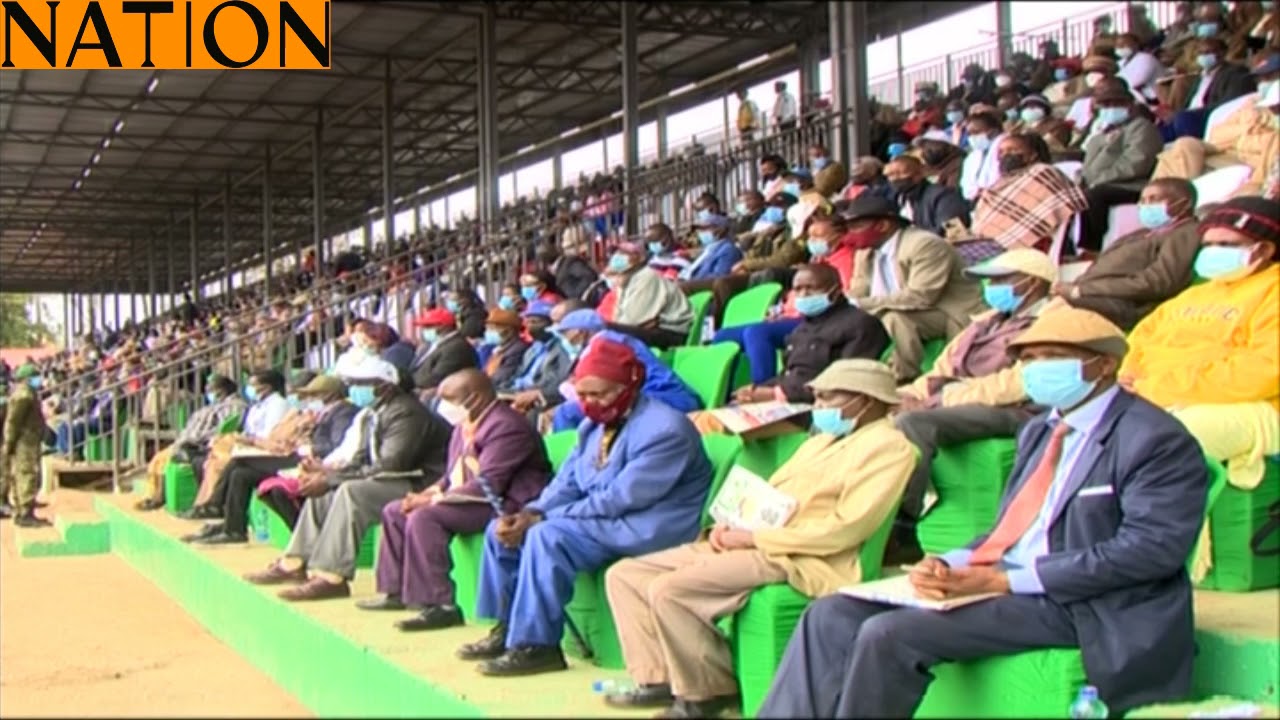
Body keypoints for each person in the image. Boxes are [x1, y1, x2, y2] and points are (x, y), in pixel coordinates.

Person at [758, 305, 1210, 718]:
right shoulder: (1039, 430)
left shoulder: (1154, 439)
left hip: (1090, 604)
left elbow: (1150, 551)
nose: (1036, 369)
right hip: (1014, 586)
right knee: (831, 613)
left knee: (890, 634)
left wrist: (1006, 580)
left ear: (1105, 364)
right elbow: (1009, 529)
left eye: (1053, 356)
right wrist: (951, 563)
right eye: (1028, 359)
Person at [601, 360, 918, 718]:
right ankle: (659, 678)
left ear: (868, 400)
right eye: (819, 396)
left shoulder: (890, 447)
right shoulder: (823, 439)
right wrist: (729, 526)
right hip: (755, 537)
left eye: (831, 397)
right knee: (626, 575)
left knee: (671, 589)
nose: (821, 405)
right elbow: (773, 497)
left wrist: (755, 538)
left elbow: (845, 529)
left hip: (800, 555)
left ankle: (707, 694)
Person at [456, 339, 714, 677]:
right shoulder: (592, 425)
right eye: (584, 395)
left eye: (600, 394)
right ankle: (508, 628)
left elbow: (620, 498)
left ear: (629, 387)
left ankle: (537, 646)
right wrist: (532, 511)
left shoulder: (666, 429)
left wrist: (544, 518)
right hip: (606, 519)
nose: (590, 403)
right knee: (501, 527)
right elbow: (568, 483)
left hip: (650, 524)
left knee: (547, 535)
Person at [1119, 197, 1279, 568]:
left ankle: (1166, 557)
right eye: (1208, 245)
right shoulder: (1193, 295)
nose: (1212, 252)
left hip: (1258, 408)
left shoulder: (1274, 291)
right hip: (1161, 397)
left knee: (1169, 436)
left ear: (1265, 248)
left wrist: (1158, 389)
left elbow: (1263, 371)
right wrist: (1130, 379)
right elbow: (1138, 343)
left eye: (1226, 245)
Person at [243, 358, 452, 601]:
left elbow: (392, 465)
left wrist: (333, 480)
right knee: (325, 489)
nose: (354, 389)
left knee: (351, 492)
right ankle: (294, 562)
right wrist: (327, 476)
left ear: (384, 386)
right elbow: (362, 459)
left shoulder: (407, 413)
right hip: (392, 478)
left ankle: (332, 577)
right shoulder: (374, 412)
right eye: (352, 383)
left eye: (361, 384)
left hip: (421, 484)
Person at [359, 369, 552, 630]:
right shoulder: (465, 426)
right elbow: (453, 475)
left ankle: (441, 605)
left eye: (449, 399)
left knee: (424, 517)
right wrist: (427, 493)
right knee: (396, 510)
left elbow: (488, 485)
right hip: (468, 498)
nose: (443, 406)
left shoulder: (507, 426)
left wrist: (432, 501)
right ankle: (396, 592)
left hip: (505, 503)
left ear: (473, 399)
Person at [894, 248, 1057, 533]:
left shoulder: (1054, 321)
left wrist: (941, 400)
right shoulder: (987, 320)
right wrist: (908, 396)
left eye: (999, 280)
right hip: (955, 400)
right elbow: (941, 369)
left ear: (1032, 283)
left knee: (914, 422)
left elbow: (1016, 385)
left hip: (1016, 409)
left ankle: (903, 526)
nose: (990, 288)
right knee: (877, 410)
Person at [184, 375, 359, 545]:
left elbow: (334, 445)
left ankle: (215, 505)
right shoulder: (321, 412)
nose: (309, 399)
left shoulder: (343, 412)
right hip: (294, 454)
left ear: (329, 394)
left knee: (239, 462)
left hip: (309, 460)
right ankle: (233, 528)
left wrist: (308, 446)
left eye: (314, 395)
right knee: (240, 473)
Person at [709, 263, 890, 410]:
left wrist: (776, 394)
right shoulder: (802, 328)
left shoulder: (860, 325)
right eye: (798, 289)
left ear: (834, 292)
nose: (803, 295)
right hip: (787, 402)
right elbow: (790, 374)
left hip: (820, 408)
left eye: (811, 289)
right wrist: (758, 389)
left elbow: (847, 385)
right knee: (712, 419)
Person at [844, 195, 985, 382]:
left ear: (883, 226)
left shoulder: (924, 244)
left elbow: (921, 297)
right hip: (895, 307)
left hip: (943, 311)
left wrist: (860, 303)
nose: (850, 234)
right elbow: (858, 290)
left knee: (895, 318)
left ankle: (902, 378)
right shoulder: (865, 252)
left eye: (857, 227)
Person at [1054, 178, 1202, 330]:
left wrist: (1082, 290)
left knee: (1057, 307)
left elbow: (1159, 282)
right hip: (1095, 293)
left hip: (1128, 304)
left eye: (1154, 199)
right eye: (1142, 200)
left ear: (1185, 204)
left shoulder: (1185, 233)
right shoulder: (1145, 232)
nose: (1145, 206)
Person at [549, 309, 702, 431]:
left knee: (567, 413)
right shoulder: (612, 339)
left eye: (565, 333)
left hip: (667, 399)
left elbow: (605, 390)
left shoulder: (603, 345)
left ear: (580, 332)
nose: (564, 339)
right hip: (656, 396)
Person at [1152, 52, 1279, 198]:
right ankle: (1154, 200)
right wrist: (1251, 131)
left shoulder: (1275, 104)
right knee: (1183, 146)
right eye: (1260, 79)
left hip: (1253, 162)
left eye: (1269, 77)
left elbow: (1269, 145)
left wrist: (1244, 135)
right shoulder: (1251, 103)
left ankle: (1177, 202)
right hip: (1229, 153)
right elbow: (1217, 135)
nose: (1263, 83)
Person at [958, 133, 1088, 259]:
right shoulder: (1000, 182)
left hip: (1021, 247)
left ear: (1032, 155)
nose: (1005, 155)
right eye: (1001, 152)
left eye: (1012, 150)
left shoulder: (1042, 173)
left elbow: (1042, 212)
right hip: (986, 242)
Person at [187, 369, 298, 512]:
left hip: (264, 448)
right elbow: (247, 430)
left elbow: (269, 435)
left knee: (231, 463)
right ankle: (209, 505)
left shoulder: (278, 404)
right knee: (209, 459)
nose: (249, 389)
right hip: (249, 445)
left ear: (267, 387)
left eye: (253, 385)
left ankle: (213, 505)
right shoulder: (256, 405)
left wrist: (248, 440)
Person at [135, 374, 247, 512]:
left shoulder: (235, 405)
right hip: (186, 440)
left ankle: (158, 498)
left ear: (221, 390)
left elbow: (221, 429)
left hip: (199, 443)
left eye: (211, 389)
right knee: (157, 459)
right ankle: (154, 495)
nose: (207, 391)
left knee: (163, 459)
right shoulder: (214, 404)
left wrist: (196, 439)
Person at [1078, 81, 1165, 252]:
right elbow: (1089, 165)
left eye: (1117, 104)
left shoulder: (1141, 127)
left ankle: (1092, 248)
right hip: (1102, 183)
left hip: (1132, 185)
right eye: (1105, 105)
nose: (1110, 108)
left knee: (1095, 195)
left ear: (1130, 105)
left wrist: (1099, 180)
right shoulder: (1102, 134)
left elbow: (1137, 163)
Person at [605, 241, 694, 349]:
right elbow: (619, 317)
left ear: (632, 269)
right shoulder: (624, 285)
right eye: (614, 274)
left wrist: (639, 324)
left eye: (619, 274)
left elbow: (632, 321)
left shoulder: (646, 277)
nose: (615, 279)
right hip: (656, 329)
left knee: (613, 335)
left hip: (673, 332)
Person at [500, 302, 574, 419]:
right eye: (528, 322)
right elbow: (519, 373)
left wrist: (532, 393)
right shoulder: (533, 348)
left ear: (549, 324)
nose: (530, 326)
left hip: (538, 395)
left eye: (535, 322)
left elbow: (556, 381)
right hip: (516, 391)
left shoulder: (561, 349)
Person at [2, 364, 48, 526]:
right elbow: (13, 422)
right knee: (27, 474)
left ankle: (23, 510)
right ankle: (25, 513)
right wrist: (9, 443)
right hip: (25, 442)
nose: (39, 379)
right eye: (36, 376)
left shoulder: (29, 393)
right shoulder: (23, 395)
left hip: (29, 440)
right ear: (28, 378)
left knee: (23, 474)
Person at [883, 156, 970, 236]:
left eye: (900, 174)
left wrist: (913, 238)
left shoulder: (944, 196)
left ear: (918, 175)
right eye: (890, 176)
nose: (894, 179)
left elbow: (953, 230)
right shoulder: (899, 199)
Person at [409, 307, 479, 400]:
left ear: (443, 326)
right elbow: (413, 369)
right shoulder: (429, 346)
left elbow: (436, 378)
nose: (424, 330)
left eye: (428, 326)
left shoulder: (456, 347)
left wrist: (409, 382)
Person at [680, 212, 743, 283]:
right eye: (700, 229)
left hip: (699, 287)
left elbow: (719, 277)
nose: (701, 232)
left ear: (721, 230)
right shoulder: (708, 248)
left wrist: (688, 283)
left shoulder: (729, 250)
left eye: (706, 228)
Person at [959, 111, 1006, 202]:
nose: (972, 138)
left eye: (976, 132)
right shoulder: (972, 157)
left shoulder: (1005, 148)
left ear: (993, 132)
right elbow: (965, 185)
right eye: (969, 134)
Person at [481, 309, 529, 390]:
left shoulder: (517, 349)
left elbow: (501, 377)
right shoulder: (497, 349)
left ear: (509, 331)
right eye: (487, 329)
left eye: (492, 329)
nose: (487, 332)